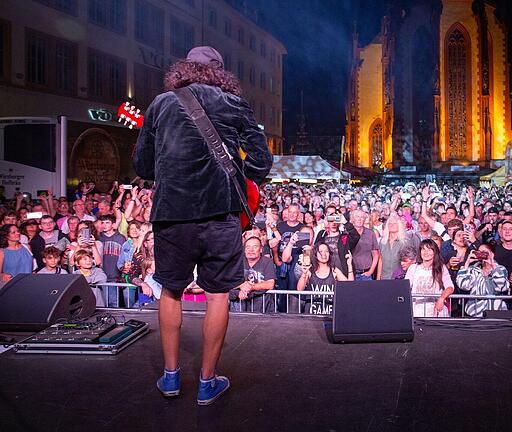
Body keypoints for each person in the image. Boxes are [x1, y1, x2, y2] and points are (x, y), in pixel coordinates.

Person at [134, 46, 272, 406]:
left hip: (172, 214)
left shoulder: (161, 104)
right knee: (217, 295)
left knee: (171, 291)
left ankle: (170, 377)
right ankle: (208, 382)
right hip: (219, 214)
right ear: (221, 72)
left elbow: (143, 165)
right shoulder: (234, 104)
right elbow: (261, 161)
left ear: (185, 69)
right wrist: (238, 173)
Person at [297, 242, 353, 314]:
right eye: (320, 251)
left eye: (326, 251)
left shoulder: (334, 270)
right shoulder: (310, 271)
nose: (324, 254)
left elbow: (350, 286)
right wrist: (304, 273)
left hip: (329, 314)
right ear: (315, 254)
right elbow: (299, 289)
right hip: (311, 314)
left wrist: (349, 265)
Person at [456, 243, 509, 317]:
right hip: (475, 312)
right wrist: (467, 264)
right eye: (479, 252)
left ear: (492, 254)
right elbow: (464, 285)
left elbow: (501, 287)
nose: (481, 255)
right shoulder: (473, 269)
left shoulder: (500, 269)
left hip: (497, 312)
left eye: (484, 252)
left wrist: (493, 266)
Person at [405, 239, 454, 317]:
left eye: (429, 249)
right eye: (423, 249)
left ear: (435, 252)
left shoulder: (441, 268)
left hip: (436, 311)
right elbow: (405, 288)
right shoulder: (413, 268)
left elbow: (450, 287)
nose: (426, 252)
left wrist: (442, 298)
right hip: (417, 311)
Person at [230, 236, 276, 313]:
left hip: (262, 305)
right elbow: (227, 281)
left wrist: (250, 287)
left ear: (261, 249)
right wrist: (242, 286)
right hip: (238, 302)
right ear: (244, 250)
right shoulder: (237, 262)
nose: (251, 250)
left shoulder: (267, 262)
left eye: (255, 247)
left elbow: (270, 284)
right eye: (248, 247)